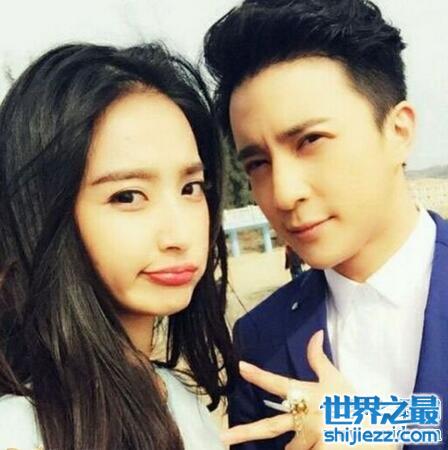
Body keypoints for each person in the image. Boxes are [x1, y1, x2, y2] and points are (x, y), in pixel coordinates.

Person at [203, 0, 448, 448]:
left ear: (398, 132)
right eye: (257, 163)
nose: (283, 193)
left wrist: (363, 427)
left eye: (310, 140)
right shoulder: (261, 339)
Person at [0, 42, 235, 450]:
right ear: (41, 212)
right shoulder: (20, 430)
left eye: (190, 188)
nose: (179, 236)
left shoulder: (177, 398)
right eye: (127, 196)